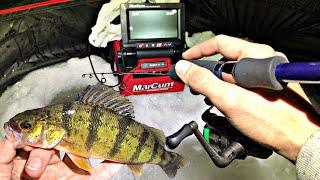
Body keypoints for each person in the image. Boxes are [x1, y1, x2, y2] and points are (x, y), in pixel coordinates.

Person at [1, 35, 319, 179]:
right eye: (25, 126)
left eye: (27, 126)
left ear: (50, 126)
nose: (20, 130)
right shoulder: (64, 136)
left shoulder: (67, 130)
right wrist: (301, 139)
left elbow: (84, 161)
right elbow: (83, 163)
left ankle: (165, 159)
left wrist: (301, 142)